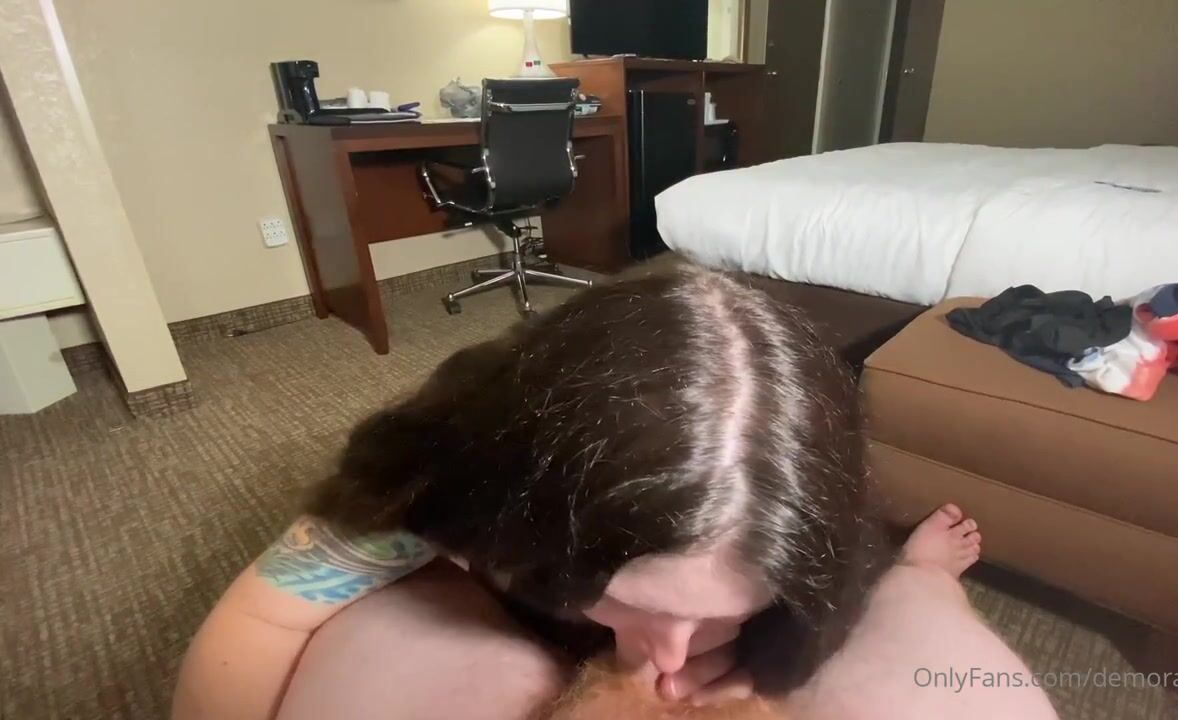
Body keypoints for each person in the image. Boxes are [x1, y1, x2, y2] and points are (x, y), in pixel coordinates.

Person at [173, 265, 1058, 720]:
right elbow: (261, 620)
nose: (672, 659)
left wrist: (757, 654)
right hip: (489, 566)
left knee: (898, 605)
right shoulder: (449, 482)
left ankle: (922, 575)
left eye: (722, 614)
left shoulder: (804, 519)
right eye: (641, 604)